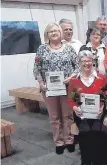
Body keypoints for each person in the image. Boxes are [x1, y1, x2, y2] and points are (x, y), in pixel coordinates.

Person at [33, 22, 78, 155]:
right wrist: (41, 84)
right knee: (54, 117)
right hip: (49, 89)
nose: (54, 33)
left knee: (68, 116)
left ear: (60, 33)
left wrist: (71, 77)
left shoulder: (69, 48)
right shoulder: (42, 49)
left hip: (67, 88)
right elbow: (36, 69)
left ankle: (69, 140)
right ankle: (58, 142)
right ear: (47, 34)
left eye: (56, 31)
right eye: (51, 31)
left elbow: (77, 67)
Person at [67, 50, 107, 165]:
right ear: (79, 63)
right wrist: (75, 108)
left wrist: (103, 108)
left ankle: (96, 160)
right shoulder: (74, 80)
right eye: (84, 61)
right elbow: (71, 100)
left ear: (93, 62)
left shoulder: (101, 79)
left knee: (96, 131)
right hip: (81, 114)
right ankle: (85, 160)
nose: (87, 63)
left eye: (89, 60)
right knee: (84, 132)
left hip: (98, 113)